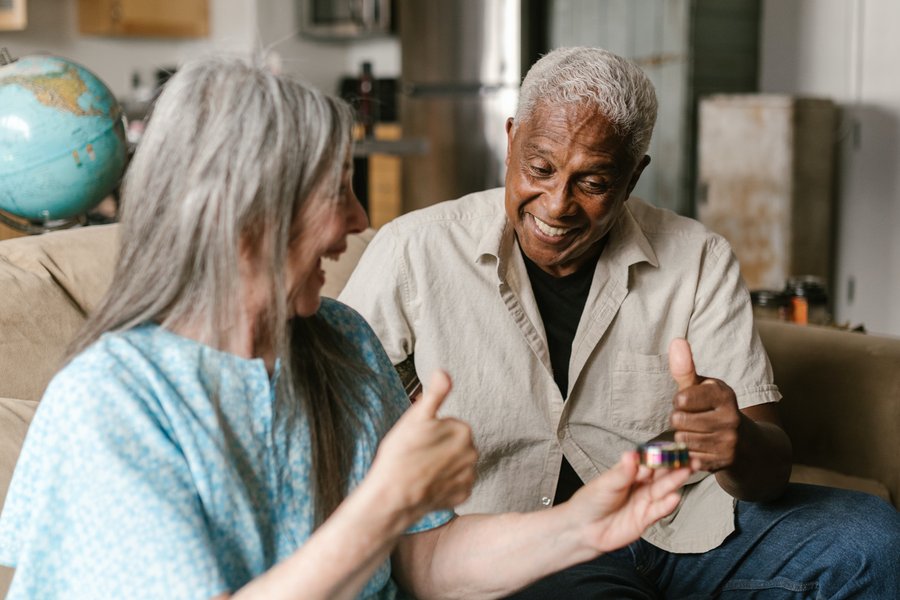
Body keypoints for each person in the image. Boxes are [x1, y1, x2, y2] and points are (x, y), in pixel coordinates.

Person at [0, 55, 692, 600]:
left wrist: (581, 526)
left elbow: (424, 561)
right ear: (250, 213)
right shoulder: (111, 402)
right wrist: (386, 499)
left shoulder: (341, 341)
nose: (360, 221)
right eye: (337, 192)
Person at [339, 46, 900, 598]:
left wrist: (736, 442)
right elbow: (331, 411)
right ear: (510, 140)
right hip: (528, 543)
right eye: (540, 168)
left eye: (593, 182)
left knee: (872, 540)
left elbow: (770, 467)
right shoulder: (415, 252)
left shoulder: (697, 258)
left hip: (680, 524)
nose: (557, 204)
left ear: (633, 177)